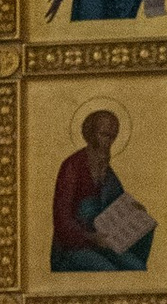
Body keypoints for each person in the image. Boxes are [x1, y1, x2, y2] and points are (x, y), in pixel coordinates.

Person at [51, 110, 155, 274]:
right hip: (73, 248)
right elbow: (62, 221)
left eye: (113, 137)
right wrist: (90, 238)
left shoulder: (106, 170)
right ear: (91, 134)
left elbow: (119, 203)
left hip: (104, 243)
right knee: (109, 271)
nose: (108, 142)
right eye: (104, 135)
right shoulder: (72, 167)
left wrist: (135, 209)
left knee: (137, 267)